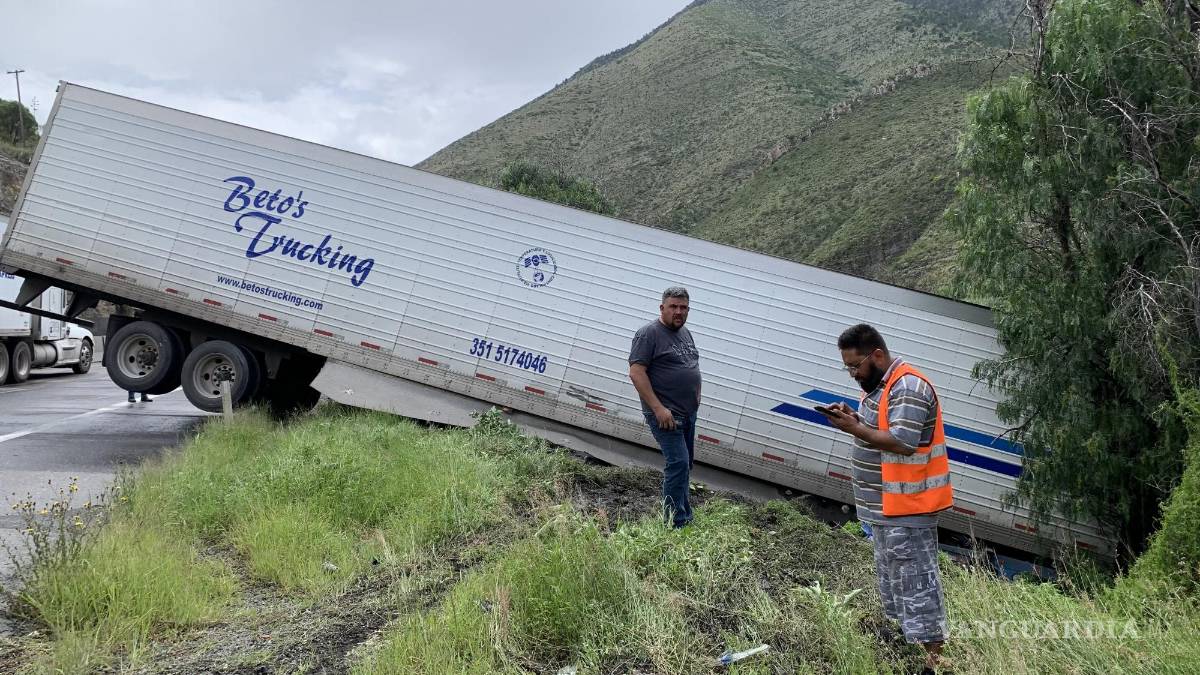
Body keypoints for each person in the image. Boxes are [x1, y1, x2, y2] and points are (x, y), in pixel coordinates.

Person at [819, 324, 952, 674]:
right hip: (885, 510)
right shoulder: (879, 388)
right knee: (896, 586)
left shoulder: (908, 387)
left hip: (907, 510)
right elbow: (880, 430)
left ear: (877, 355)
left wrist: (854, 428)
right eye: (847, 367)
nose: (852, 374)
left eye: (855, 366)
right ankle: (915, 651)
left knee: (917, 587)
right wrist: (855, 418)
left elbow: (902, 441)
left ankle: (935, 663)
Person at [628, 286, 702, 529]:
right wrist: (658, 408)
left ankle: (684, 515)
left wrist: (696, 394)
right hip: (666, 415)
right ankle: (674, 523)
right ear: (662, 308)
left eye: (683, 308)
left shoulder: (685, 333)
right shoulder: (648, 334)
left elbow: (691, 364)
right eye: (673, 307)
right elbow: (637, 373)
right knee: (678, 463)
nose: (678, 312)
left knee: (685, 464)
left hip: (688, 413)